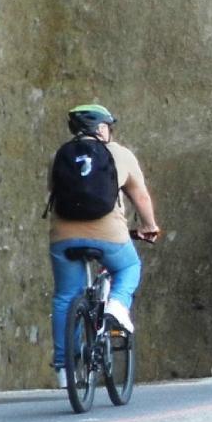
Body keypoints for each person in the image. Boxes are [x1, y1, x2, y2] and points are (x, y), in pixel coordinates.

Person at [46, 103, 161, 387]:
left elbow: (52, 195)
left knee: (65, 297)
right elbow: (142, 198)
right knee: (130, 266)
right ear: (100, 128)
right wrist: (149, 226)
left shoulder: (60, 156)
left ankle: (64, 368)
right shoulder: (119, 154)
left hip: (64, 236)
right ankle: (118, 305)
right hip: (108, 234)